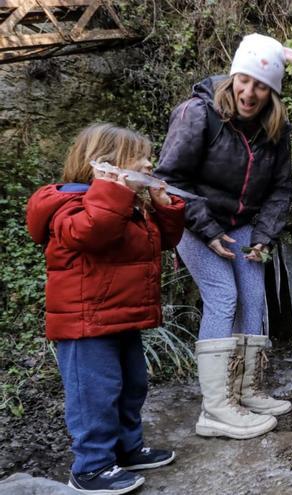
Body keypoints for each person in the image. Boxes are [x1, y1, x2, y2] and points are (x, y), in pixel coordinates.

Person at [155, 33, 292, 440]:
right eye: (245, 80)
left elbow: (280, 189)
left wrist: (263, 236)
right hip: (194, 219)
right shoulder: (197, 113)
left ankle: (246, 391)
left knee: (253, 296)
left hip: (242, 226)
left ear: (272, 92)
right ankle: (216, 409)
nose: (249, 92)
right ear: (234, 76)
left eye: (261, 86)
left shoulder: (276, 129)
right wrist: (206, 229)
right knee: (223, 295)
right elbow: (168, 181)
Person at [26, 123, 186, 494]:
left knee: (132, 386)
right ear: (106, 165)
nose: (150, 164)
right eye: (140, 158)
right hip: (85, 323)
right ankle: (91, 467)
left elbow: (160, 243)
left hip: (121, 317)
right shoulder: (69, 203)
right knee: (95, 395)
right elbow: (91, 233)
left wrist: (164, 209)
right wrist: (112, 192)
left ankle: (127, 450)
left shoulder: (127, 208)